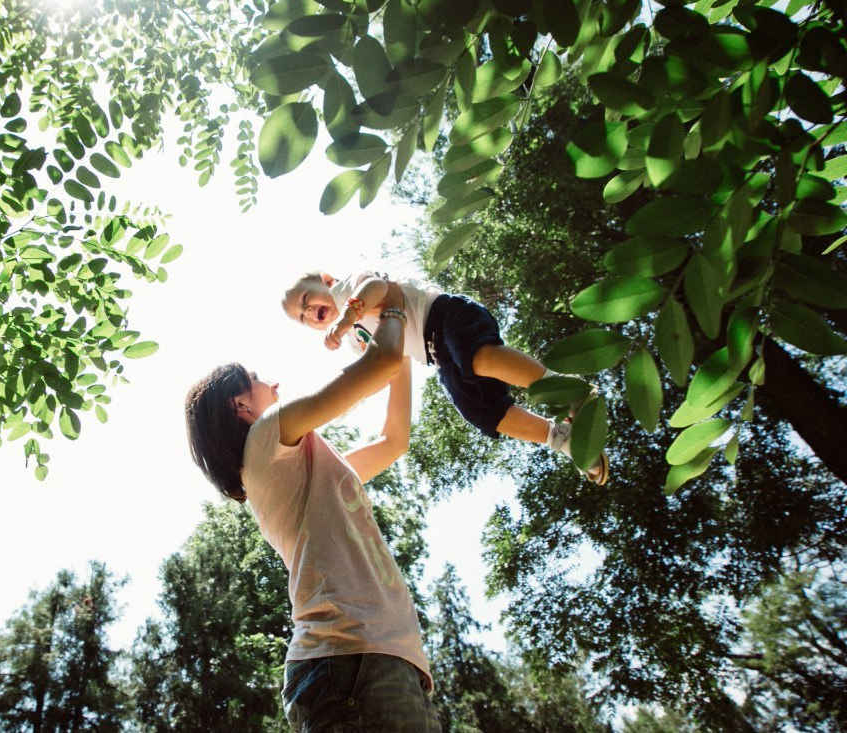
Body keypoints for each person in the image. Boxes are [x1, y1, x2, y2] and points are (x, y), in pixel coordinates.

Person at [185, 305, 442, 731]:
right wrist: (393, 309)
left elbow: (394, 442)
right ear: (239, 403)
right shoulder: (267, 437)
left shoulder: (300, 467)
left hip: (373, 660)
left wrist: (405, 350)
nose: (273, 383)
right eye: (256, 379)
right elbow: (377, 364)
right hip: (350, 661)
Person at [281, 270, 609, 485]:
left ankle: (568, 389)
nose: (309, 312)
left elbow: (379, 288)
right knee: (480, 413)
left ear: (325, 281)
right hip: (436, 356)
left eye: (307, 299)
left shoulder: (346, 291)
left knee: (478, 358)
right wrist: (350, 397)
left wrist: (349, 314)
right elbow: (381, 371)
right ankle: (561, 439)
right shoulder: (356, 340)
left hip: (444, 315)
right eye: (302, 317)